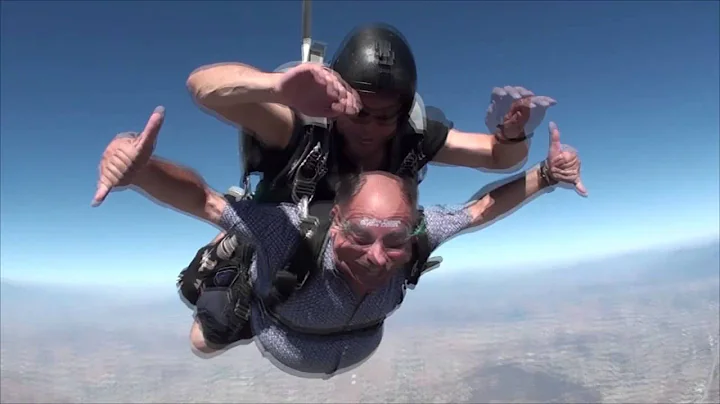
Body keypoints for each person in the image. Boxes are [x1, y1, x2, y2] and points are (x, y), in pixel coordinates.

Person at [93, 105, 587, 378]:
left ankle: (246, 252)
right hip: (271, 315)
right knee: (202, 341)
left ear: (411, 224)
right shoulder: (289, 231)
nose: (378, 255)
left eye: (394, 237)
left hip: (346, 341)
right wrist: (141, 172)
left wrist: (544, 175)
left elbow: (479, 209)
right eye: (359, 234)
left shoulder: (418, 234)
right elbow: (201, 200)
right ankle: (240, 260)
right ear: (335, 223)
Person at [91, 24, 559, 309]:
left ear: (404, 109)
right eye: (358, 110)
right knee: (208, 331)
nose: (371, 128)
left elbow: (500, 159)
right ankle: (231, 250)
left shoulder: (414, 137)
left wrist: (514, 135)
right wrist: (275, 88)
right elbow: (203, 88)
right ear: (339, 99)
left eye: (385, 116)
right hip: (278, 237)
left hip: (354, 253)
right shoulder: (300, 126)